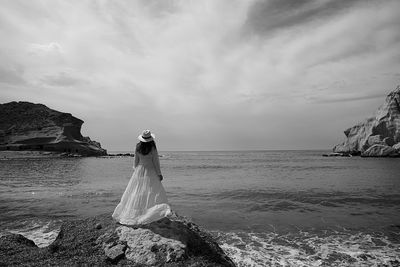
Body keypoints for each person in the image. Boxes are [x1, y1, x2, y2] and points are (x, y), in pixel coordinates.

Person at [112, 130, 172, 225]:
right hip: (150, 170)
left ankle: (138, 213)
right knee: (154, 192)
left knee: (137, 192)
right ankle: (148, 213)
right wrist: (159, 173)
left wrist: (136, 171)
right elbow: (156, 161)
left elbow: (135, 161)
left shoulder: (138, 147)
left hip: (139, 170)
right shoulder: (152, 147)